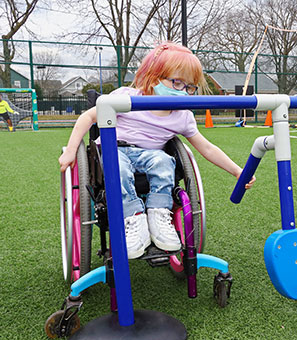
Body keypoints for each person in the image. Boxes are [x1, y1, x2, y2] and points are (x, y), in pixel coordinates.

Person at [59, 41, 255, 259]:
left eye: (190, 87)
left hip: (151, 155)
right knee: (117, 166)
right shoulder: (125, 97)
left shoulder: (182, 116)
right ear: (154, 79)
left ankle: (159, 215)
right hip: (116, 150)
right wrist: (71, 150)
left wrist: (238, 171)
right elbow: (88, 117)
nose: (184, 92)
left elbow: (207, 148)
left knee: (164, 162)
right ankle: (133, 218)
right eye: (177, 83)